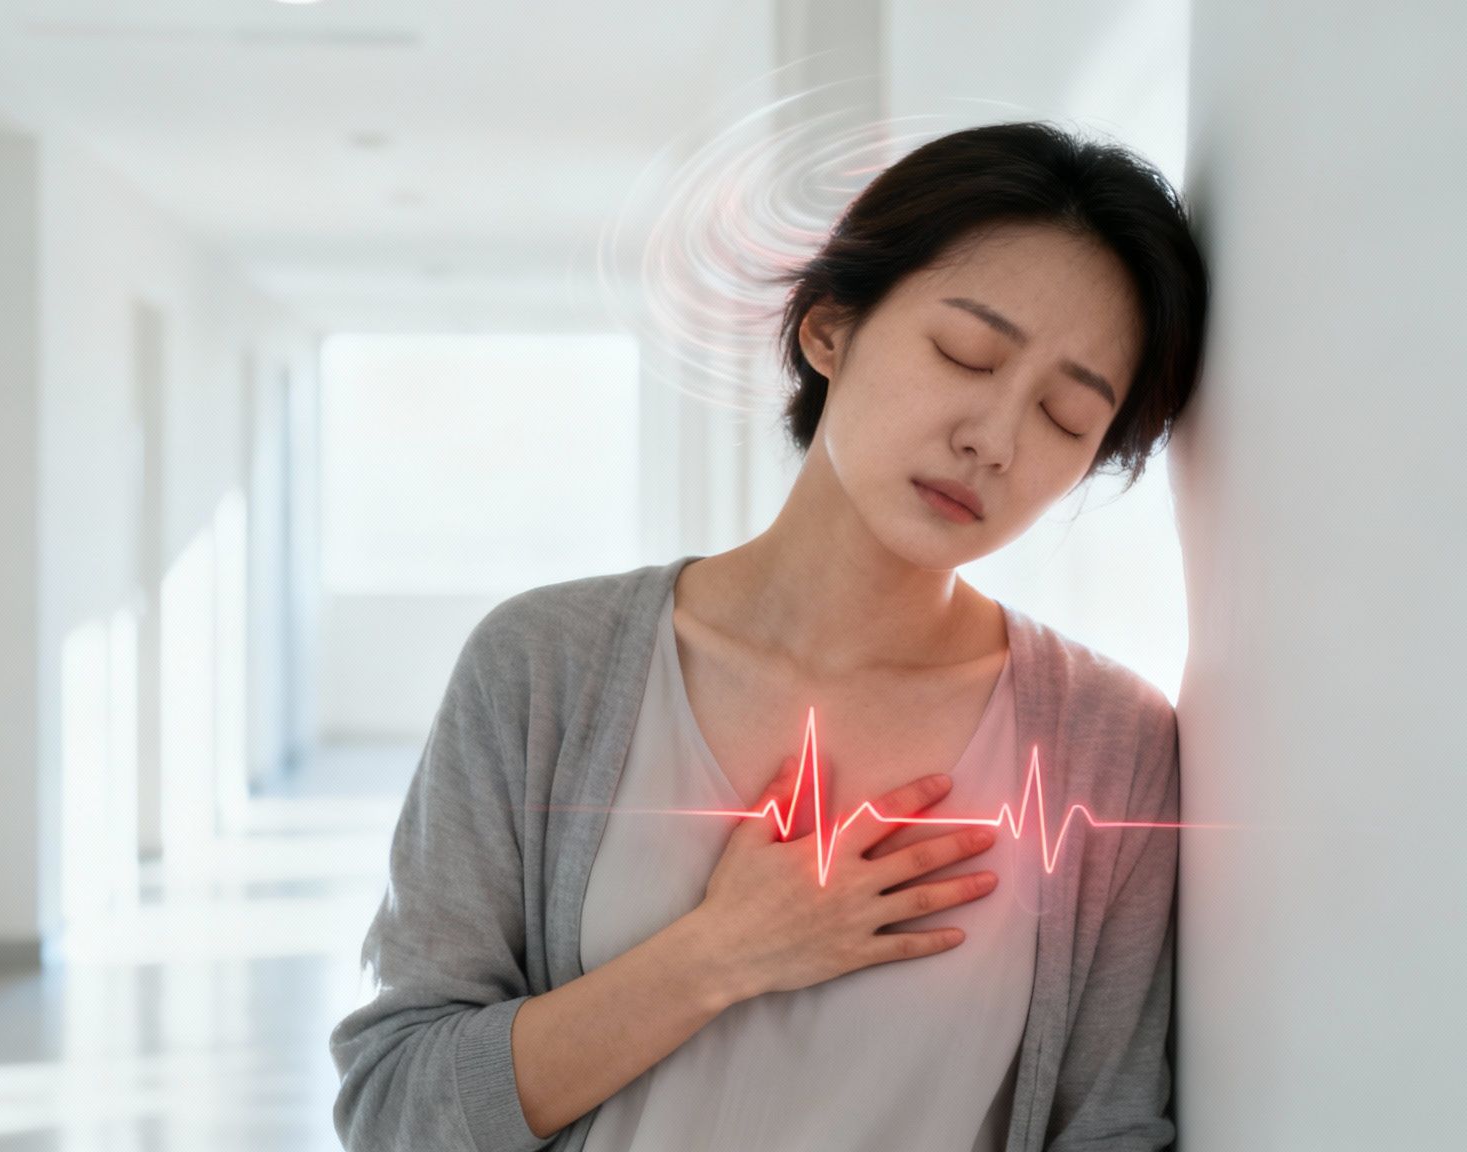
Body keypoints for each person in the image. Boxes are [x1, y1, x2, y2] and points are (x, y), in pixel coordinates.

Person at [329, 119, 1210, 1152]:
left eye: (1066, 418)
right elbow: (396, 1107)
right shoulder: (542, 666)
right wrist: (717, 953)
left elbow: (1106, 1128)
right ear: (828, 328)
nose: (994, 439)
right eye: (963, 352)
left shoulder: (1106, 743)